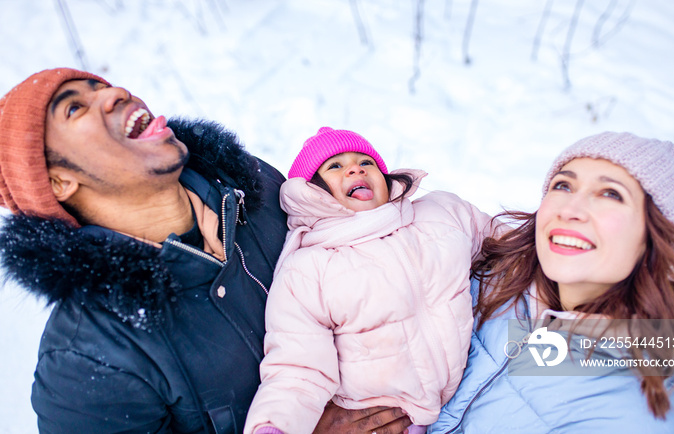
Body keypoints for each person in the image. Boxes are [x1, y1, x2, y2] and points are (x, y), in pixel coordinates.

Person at [0, 68, 411, 433]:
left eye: (101, 86)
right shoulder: (86, 362)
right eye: (75, 109)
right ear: (57, 183)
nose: (116, 93)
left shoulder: (253, 185)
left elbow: (363, 242)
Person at [430, 132, 674, 433]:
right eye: (563, 185)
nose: (569, 210)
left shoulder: (643, 418)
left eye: (611, 194)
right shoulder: (484, 277)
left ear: (655, 237)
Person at [243, 127, 498, 434]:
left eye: (367, 162)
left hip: (470, 392)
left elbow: (507, 244)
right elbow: (298, 364)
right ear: (311, 192)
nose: (356, 168)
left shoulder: (440, 213)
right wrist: (275, 426)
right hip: (383, 419)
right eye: (335, 166)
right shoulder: (310, 267)